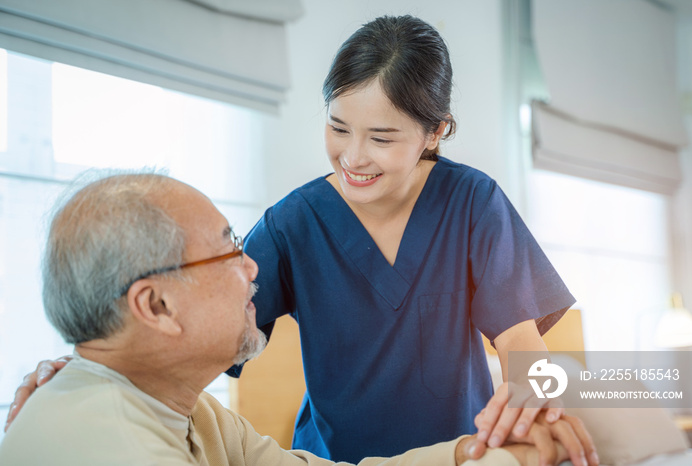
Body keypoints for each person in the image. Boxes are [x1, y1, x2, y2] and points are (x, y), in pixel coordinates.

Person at [5, 14, 598, 466]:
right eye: (338, 128)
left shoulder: (473, 202)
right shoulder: (294, 222)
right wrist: (88, 368)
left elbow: (525, 346)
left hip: (457, 445)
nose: (354, 157)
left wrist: (533, 399)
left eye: (383, 138)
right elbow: (182, 329)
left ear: (434, 132)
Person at [0, 172, 579, 466]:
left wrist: (481, 449)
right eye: (229, 250)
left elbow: (526, 346)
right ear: (156, 306)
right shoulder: (112, 442)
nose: (253, 265)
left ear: (435, 132)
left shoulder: (189, 411)